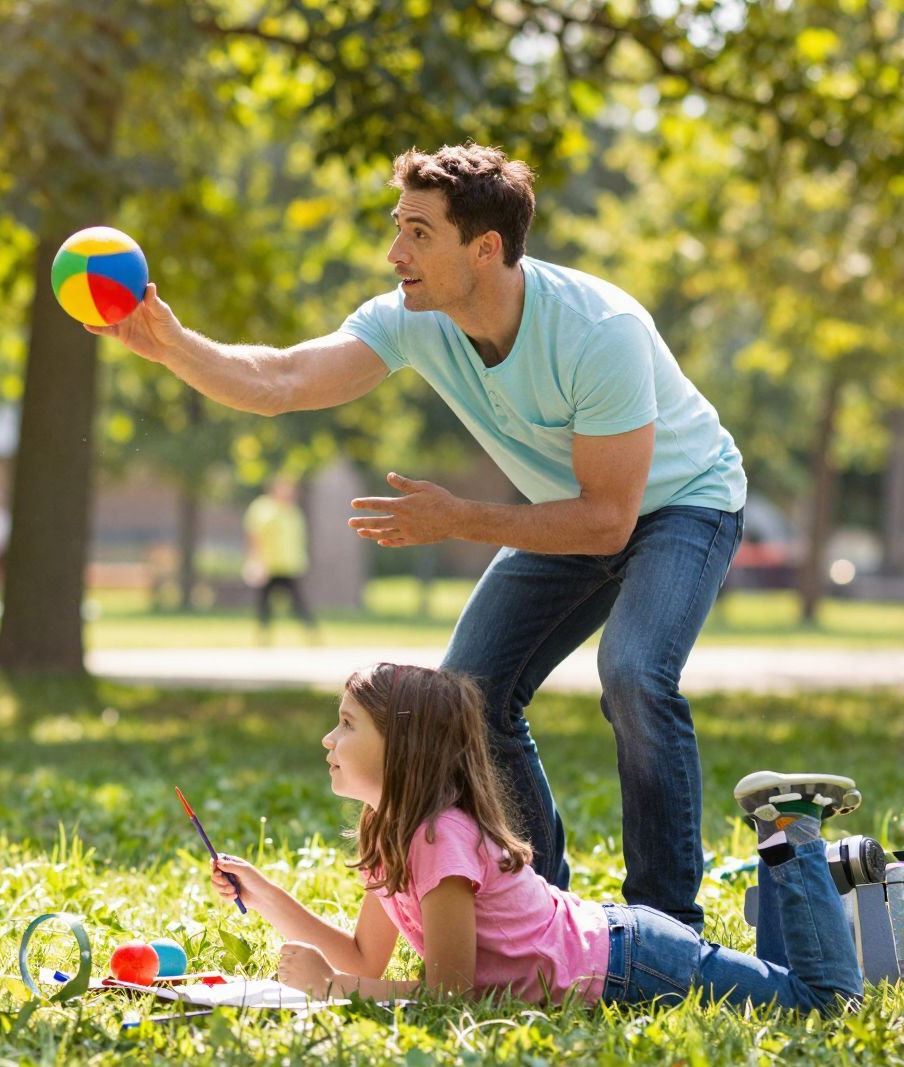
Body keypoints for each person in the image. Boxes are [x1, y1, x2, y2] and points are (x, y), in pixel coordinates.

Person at [92, 143, 747, 929]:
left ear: (485, 248)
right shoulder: (413, 318)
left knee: (636, 672)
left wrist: (458, 518)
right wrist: (171, 344)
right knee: (470, 694)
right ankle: (549, 911)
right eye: (397, 227)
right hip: (566, 508)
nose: (395, 252)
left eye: (418, 233)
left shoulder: (598, 332)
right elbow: (281, 381)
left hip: (683, 504)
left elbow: (609, 519)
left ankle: (665, 922)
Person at [205, 663, 861, 1013]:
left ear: (401, 748)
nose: (328, 739)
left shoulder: (439, 840)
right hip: (620, 953)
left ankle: (792, 830)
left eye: (346, 724)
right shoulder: (393, 833)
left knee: (823, 1004)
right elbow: (362, 957)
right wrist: (261, 895)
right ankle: (790, 853)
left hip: (632, 967)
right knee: (786, 988)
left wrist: (333, 990)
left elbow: (448, 996)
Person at [244, 475, 318, 642]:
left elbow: (298, 538)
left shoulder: (293, 511)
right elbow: (254, 535)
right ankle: (263, 635)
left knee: (298, 602)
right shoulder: (262, 508)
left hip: (289, 564)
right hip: (268, 564)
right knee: (263, 604)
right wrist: (255, 560)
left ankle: (310, 632)